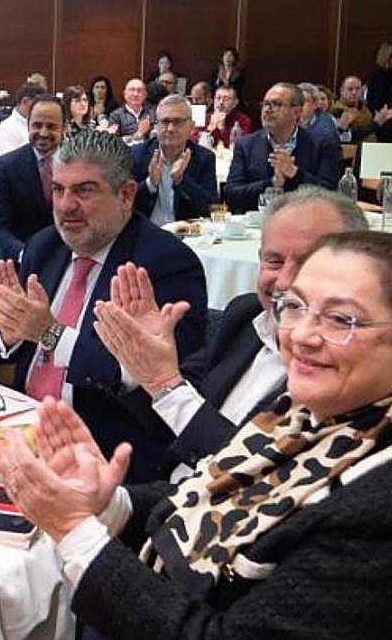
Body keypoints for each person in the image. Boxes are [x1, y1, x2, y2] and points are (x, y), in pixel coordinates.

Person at [0, 230, 392, 640]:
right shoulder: (340, 416)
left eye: (341, 319)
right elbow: (222, 495)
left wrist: (77, 531)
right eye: (295, 305)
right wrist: (108, 502)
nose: (301, 335)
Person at [0, 130, 207, 483]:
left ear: (126, 195)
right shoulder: (44, 246)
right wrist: (9, 333)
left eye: (84, 190)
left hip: (108, 456)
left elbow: (146, 377)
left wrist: (49, 332)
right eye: (58, 190)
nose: (65, 205)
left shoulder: (166, 263)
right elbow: (2, 342)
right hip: (26, 435)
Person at [98, 187, 367, 471]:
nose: (285, 281)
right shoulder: (246, 315)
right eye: (274, 260)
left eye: (309, 262)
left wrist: (165, 384)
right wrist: (140, 364)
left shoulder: (344, 360)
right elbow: (167, 418)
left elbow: (260, 471)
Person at [223, 83, 333, 212]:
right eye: (265, 104)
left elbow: (331, 196)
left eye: (276, 104)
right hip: (256, 224)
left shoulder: (320, 144)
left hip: (305, 221)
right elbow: (231, 196)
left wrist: (295, 173)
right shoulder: (247, 145)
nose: (268, 110)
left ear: (296, 112)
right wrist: (271, 183)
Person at [0, 95, 66, 261]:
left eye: (51, 126)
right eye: (37, 125)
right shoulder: (7, 166)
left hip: (69, 258)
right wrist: (25, 255)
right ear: (28, 125)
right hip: (23, 260)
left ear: (64, 128)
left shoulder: (77, 164)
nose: (43, 133)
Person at [131, 94, 217, 225]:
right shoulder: (137, 155)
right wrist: (150, 184)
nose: (170, 129)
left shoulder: (203, 158)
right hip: (147, 233)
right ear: (156, 126)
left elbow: (210, 209)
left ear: (191, 126)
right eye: (165, 122)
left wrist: (182, 181)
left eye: (177, 122)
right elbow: (123, 205)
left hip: (187, 234)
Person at [298, 82, 342, 185]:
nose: (298, 106)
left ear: (316, 104)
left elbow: (327, 184)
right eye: (295, 102)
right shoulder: (298, 122)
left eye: (304, 102)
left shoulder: (325, 134)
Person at [0, 83, 44, 157]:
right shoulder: (6, 129)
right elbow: (8, 164)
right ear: (25, 102)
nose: (41, 108)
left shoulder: (40, 124)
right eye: (38, 104)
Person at [330, 75, 375, 144]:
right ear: (341, 91)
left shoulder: (367, 110)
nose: (354, 92)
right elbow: (347, 136)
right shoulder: (336, 111)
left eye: (357, 89)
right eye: (350, 89)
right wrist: (376, 123)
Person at [107, 78, 154, 143]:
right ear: (124, 94)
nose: (135, 94)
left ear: (145, 95)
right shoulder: (116, 115)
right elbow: (114, 142)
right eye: (132, 90)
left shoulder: (152, 113)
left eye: (139, 91)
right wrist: (139, 133)